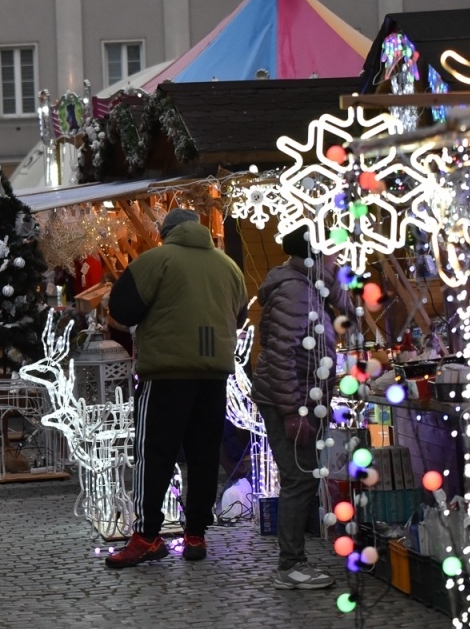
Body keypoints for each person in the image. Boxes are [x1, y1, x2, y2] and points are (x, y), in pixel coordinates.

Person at [103, 208, 247, 569]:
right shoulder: (228, 266)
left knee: (155, 455)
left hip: (166, 373)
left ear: (166, 233)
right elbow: (240, 315)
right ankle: (195, 534)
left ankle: (147, 536)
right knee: (203, 456)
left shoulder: (157, 261)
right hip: (214, 375)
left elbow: (121, 308)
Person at [252, 225, 353, 590]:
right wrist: (293, 410)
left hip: (303, 400)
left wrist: (334, 281)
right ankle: (290, 565)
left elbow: (350, 309)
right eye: (330, 254)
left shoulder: (310, 287)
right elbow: (280, 357)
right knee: (298, 479)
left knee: (303, 477)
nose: (336, 260)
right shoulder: (296, 293)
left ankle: (292, 562)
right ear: (314, 255)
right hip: (292, 402)